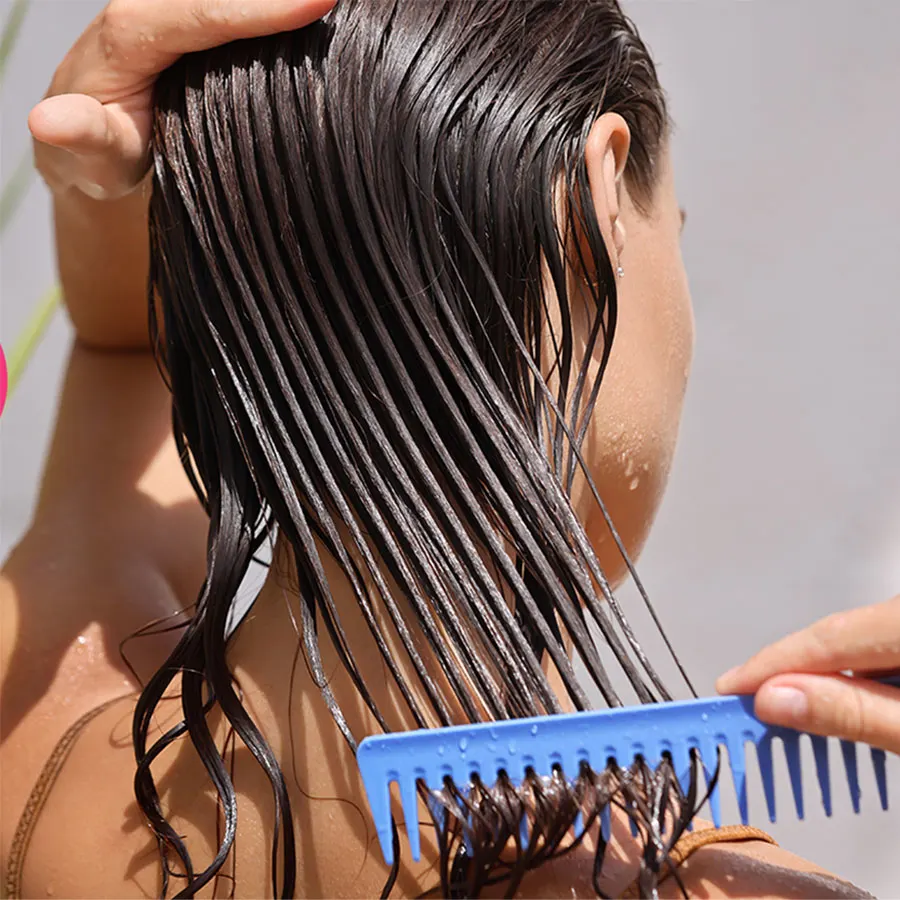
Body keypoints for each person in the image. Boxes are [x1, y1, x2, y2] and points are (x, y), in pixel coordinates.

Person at [0, 0, 896, 897]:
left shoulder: (45, 743)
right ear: (598, 196)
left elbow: (117, 347)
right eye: (679, 233)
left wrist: (111, 169)